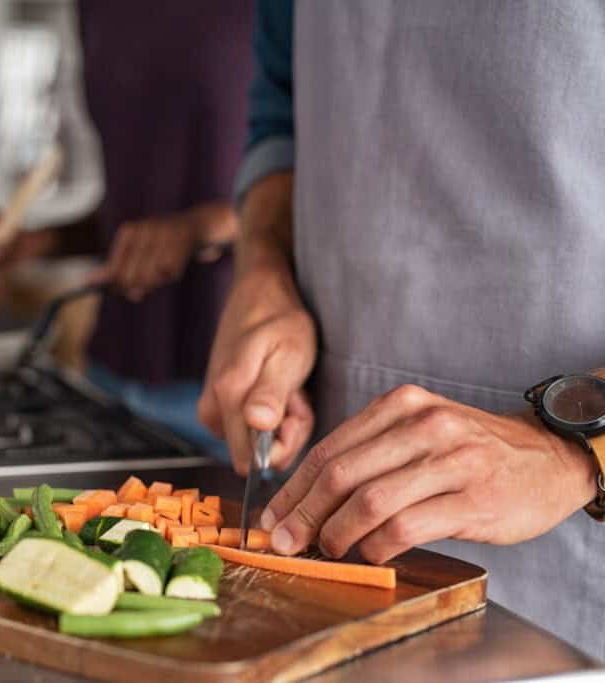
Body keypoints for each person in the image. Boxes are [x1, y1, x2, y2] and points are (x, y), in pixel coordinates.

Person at [200, 1, 605, 657]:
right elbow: (281, 115)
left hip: (571, 574)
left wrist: (570, 446)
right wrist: (264, 270)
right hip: (330, 554)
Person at [0, 0, 255, 458]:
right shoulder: (95, 10)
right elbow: (133, 202)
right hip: (110, 381)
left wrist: (205, 225)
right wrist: (36, 242)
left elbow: (332, 194)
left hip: (236, 385)